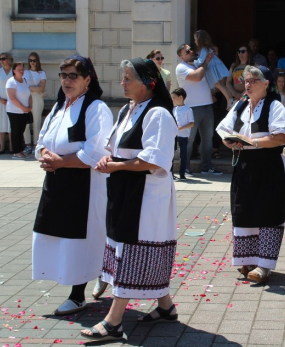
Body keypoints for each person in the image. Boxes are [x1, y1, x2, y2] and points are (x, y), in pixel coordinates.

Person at [81, 58, 177, 341]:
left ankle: (114, 321)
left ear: (148, 83)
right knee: (127, 244)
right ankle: (166, 306)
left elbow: (156, 161)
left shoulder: (158, 115)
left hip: (146, 194)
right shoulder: (127, 109)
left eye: (127, 79)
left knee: (133, 248)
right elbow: (115, 147)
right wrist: (108, 159)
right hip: (125, 189)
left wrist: (117, 166)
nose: (121, 84)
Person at [32, 56, 113, 315]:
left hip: (83, 183)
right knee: (58, 235)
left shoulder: (96, 108)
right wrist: (45, 154)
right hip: (56, 181)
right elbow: (41, 140)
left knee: (80, 238)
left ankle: (78, 295)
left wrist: (60, 161)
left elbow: (97, 151)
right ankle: (98, 271)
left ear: (87, 79)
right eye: (63, 75)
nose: (67, 80)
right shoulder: (59, 107)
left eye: (73, 76)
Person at [217, 65, 285, 283]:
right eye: (246, 80)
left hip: (268, 165)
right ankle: (246, 259)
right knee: (244, 209)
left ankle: (264, 264)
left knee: (267, 211)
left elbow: (281, 137)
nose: (247, 84)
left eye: (252, 81)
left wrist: (252, 142)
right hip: (244, 165)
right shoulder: (240, 105)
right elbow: (223, 129)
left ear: (266, 83)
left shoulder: (275, 106)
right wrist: (229, 142)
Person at [176, 43, 222, 175]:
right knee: (189, 140)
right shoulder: (181, 67)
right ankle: (184, 167)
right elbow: (197, 77)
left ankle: (206, 167)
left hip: (207, 105)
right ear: (182, 57)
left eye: (191, 49)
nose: (191, 52)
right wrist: (206, 61)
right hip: (191, 108)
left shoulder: (198, 64)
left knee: (208, 139)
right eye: (187, 51)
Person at [193, 30, 232, 107]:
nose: (194, 41)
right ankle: (230, 99)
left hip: (212, 68)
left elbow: (200, 61)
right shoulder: (207, 48)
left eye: (195, 39)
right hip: (215, 66)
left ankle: (229, 100)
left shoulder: (203, 49)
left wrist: (192, 62)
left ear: (200, 40)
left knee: (218, 84)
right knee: (220, 84)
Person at [6, 62, 32, 159]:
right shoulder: (11, 81)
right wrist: (23, 107)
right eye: (19, 70)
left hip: (24, 111)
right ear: (14, 71)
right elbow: (12, 98)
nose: (21, 71)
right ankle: (16, 152)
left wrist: (30, 106)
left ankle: (21, 150)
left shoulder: (25, 80)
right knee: (16, 131)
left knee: (21, 131)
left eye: (22, 69)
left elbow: (29, 94)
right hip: (14, 111)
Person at [23, 52, 47, 154]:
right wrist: (34, 88)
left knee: (36, 122)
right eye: (30, 60)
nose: (32, 62)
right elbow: (22, 86)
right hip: (26, 97)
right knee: (26, 123)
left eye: (34, 60)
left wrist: (29, 88)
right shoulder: (25, 72)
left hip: (37, 98)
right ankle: (28, 144)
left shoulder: (42, 73)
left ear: (37, 61)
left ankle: (36, 145)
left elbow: (41, 88)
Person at [172, 87, 194, 180]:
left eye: (174, 97)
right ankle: (171, 173)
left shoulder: (188, 110)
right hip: (174, 135)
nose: (173, 99)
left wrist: (182, 127)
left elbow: (192, 123)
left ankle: (182, 173)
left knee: (183, 155)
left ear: (181, 97)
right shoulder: (174, 109)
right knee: (171, 155)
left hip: (183, 135)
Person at [0, 52, 13, 154]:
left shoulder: (14, 72)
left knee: (11, 124)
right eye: (0, 59)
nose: (2, 61)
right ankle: (2, 146)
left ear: (8, 59)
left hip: (13, 102)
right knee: (2, 124)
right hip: (1, 101)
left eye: (3, 58)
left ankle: (12, 147)